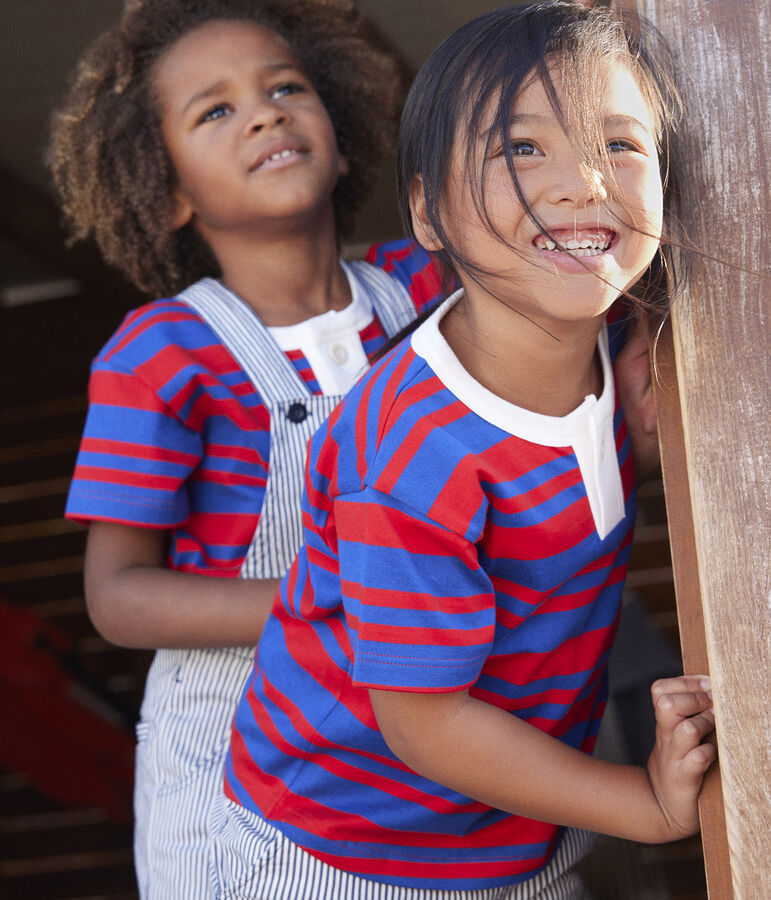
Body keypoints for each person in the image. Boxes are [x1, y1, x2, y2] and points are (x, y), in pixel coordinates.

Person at [213, 3, 716, 898]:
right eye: (521, 148)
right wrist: (646, 803)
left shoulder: (605, 342)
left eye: (620, 145)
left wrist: (642, 443)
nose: (582, 183)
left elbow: (550, 503)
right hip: (345, 847)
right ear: (427, 212)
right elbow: (423, 721)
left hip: (503, 831)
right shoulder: (416, 449)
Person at [49, 1, 446, 897]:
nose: (264, 112)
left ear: (340, 138)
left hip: (435, 768)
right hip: (245, 790)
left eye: (286, 88)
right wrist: (342, 597)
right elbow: (117, 597)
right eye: (215, 110)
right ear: (169, 192)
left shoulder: (435, 293)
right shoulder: (162, 354)